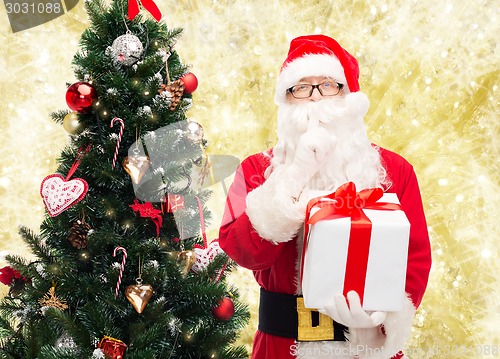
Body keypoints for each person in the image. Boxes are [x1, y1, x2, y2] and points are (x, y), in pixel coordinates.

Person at [218, 34, 432, 359]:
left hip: (365, 351)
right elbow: (242, 251)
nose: (316, 98)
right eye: (301, 87)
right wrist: (295, 174)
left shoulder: (395, 170)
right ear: (286, 100)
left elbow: (415, 260)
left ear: (349, 96)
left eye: (329, 85)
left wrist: (379, 326)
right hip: (280, 346)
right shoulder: (255, 169)